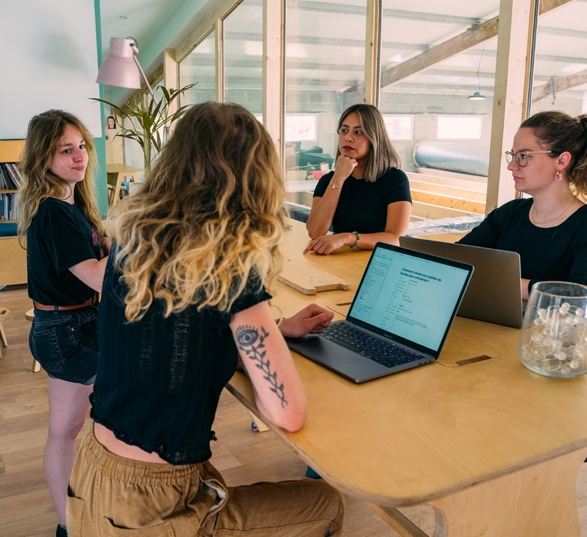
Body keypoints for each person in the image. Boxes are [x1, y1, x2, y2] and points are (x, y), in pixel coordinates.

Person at [66, 101, 345, 536]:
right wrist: (263, 330)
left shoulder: (135, 242)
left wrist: (278, 330)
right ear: (256, 182)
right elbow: (288, 414)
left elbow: (177, 339)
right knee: (323, 504)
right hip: (151, 507)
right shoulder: (229, 271)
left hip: (91, 473)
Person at [17, 110, 110, 537]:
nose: (79, 157)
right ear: (44, 157)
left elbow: (98, 252)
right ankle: (75, 522)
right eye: (65, 150)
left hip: (70, 325)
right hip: (67, 332)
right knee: (85, 426)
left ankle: (69, 523)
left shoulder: (72, 204)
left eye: (81, 147)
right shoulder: (53, 211)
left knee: (65, 430)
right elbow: (96, 277)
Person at [458, 110, 587, 300]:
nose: (512, 166)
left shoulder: (583, 225)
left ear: (561, 161)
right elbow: (458, 259)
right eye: (513, 155)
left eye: (524, 156)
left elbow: (578, 294)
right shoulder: (509, 213)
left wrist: (501, 281)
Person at [304, 104, 412, 255]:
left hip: (377, 262)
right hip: (340, 262)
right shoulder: (329, 180)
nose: (348, 138)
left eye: (358, 132)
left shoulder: (395, 179)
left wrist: (348, 237)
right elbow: (315, 232)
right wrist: (339, 179)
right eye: (344, 130)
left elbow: (395, 238)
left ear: (374, 138)